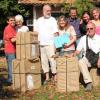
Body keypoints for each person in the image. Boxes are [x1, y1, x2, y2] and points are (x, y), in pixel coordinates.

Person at [34, 4, 58, 84]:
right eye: (47, 11)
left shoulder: (53, 20)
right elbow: (35, 33)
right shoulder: (39, 20)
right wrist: (36, 44)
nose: (49, 12)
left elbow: (55, 33)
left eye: (50, 10)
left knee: (52, 61)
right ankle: (47, 77)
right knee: (44, 61)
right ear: (43, 11)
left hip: (51, 44)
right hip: (41, 44)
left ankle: (55, 76)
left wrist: (56, 45)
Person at [74, 22, 100, 91]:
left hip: (98, 58)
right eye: (87, 29)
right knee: (81, 61)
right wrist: (71, 54)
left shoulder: (99, 38)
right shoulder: (83, 38)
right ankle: (89, 83)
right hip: (88, 59)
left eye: (91, 28)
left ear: (95, 29)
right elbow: (78, 51)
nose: (89, 30)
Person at [3, 16, 16, 85]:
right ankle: (10, 80)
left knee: (11, 65)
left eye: (14, 20)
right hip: (10, 50)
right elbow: (12, 40)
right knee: (11, 66)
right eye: (11, 20)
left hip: (13, 50)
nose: (13, 21)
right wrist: (22, 37)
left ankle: (10, 80)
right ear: (8, 22)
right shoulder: (8, 28)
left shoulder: (13, 28)